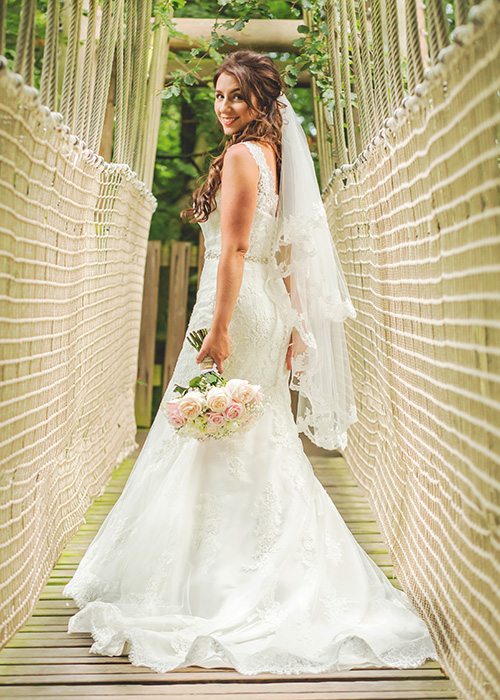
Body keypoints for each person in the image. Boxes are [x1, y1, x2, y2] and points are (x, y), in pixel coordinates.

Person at [62, 50, 440, 674]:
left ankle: (207, 580)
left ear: (263, 100)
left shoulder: (241, 157)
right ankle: (257, 564)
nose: (224, 107)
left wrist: (217, 331)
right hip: (266, 308)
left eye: (237, 96)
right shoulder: (277, 159)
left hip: (234, 311)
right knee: (249, 435)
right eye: (219, 95)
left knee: (210, 433)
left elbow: (235, 248)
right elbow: (287, 252)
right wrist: (292, 325)